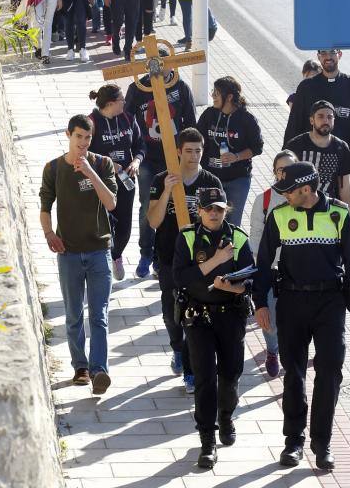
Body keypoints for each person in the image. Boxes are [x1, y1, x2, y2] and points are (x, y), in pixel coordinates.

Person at [254, 161, 350, 470]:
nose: (284, 197)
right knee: (293, 373)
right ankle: (293, 442)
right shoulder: (279, 215)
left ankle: (322, 444)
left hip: (330, 303)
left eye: (289, 191)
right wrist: (260, 303)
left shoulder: (338, 214)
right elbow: (265, 260)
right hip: (292, 301)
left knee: (330, 370)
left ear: (306, 190)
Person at [173, 186, 254, 469]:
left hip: (231, 314)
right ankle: (207, 440)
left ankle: (227, 416)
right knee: (205, 378)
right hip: (199, 317)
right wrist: (216, 262)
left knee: (231, 374)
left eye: (219, 208)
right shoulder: (187, 237)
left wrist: (231, 287)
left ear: (225, 210)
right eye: (208, 208)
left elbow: (251, 278)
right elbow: (181, 278)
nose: (213, 213)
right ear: (199, 210)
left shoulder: (239, 238)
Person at [39, 114, 117, 393]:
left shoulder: (103, 164)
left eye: (88, 138)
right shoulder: (53, 168)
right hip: (70, 253)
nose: (83, 143)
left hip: (99, 251)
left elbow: (111, 203)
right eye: (78, 137)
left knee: (99, 315)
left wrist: (90, 173)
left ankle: (99, 371)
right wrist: (49, 234)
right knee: (73, 314)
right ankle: (80, 367)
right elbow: (45, 206)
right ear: (68, 135)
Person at [148, 128, 222, 393]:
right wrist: (167, 191)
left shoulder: (211, 182)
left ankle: (191, 372)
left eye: (198, 151)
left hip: (200, 261)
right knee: (171, 314)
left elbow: (219, 223)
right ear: (179, 151)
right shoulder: (161, 179)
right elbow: (154, 220)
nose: (193, 156)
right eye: (189, 151)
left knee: (195, 315)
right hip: (169, 258)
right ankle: (177, 349)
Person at [125, 53, 196, 278]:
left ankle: (162, 255)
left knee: (173, 204)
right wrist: (133, 152)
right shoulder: (138, 87)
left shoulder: (181, 88)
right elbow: (128, 120)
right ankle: (146, 252)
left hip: (172, 158)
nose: (158, 69)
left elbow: (190, 123)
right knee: (148, 204)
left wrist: (187, 156)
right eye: (154, 65)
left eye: (163, 65)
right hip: (147, 157)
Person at [284, 49, 350, 186]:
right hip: (309, 161)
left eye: (332, 52)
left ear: (340, 54)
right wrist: (285, 159)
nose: (328, 57)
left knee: (342, 206)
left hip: (342, 161)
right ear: (318, 56)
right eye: (324, 53)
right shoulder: (306, 87)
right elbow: (293, 126)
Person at [249, 149, 298, 379]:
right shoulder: (264, 200)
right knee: (270, 317)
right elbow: (256, 237)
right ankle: (272, 350)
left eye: (290, 168)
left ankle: (292, 354)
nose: (285, 174)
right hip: (270, 269)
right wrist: (261, 266)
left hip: (298, 271)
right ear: (275, 172)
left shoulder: (306, 196)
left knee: (296, 318)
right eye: (281, 170)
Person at [88, 85, 144, 281]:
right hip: (100, 183)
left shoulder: (128, 118)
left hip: (126, 182)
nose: (125, 103)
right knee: (102, 225)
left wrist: (136, 161)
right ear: (110, 104)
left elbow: (140, 145)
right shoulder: (92, 122)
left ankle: (116, 254)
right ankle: (99, 266)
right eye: (122, 100)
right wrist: (108, 163)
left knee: (124, 227)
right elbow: (84, 153)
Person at [197, 76, 263, 227]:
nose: (212, 95)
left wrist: (236, 157)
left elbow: (257, 147)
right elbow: (197, 139)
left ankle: (231, 250)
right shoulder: (209, 114)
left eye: (217, 92)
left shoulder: (246, 119)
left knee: (232, 224)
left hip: (237, 180)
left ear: (229, 97)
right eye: (213, 91)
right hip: (210, 178)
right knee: (208, 221)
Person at [286, 100, 350, 215]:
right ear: (311, 120)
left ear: (334, 120)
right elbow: (285, 181)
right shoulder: (296, 145)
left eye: (330, 117)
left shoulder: (341, 148)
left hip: (327, 210)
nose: (325, 120)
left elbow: (346, 189)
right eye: (320, 116)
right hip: (298, 210)